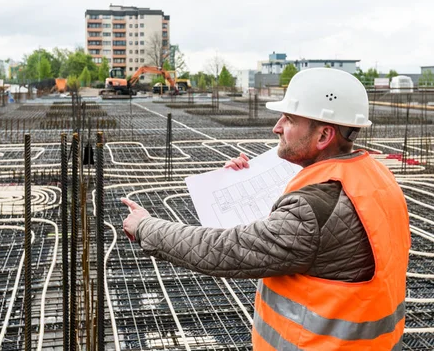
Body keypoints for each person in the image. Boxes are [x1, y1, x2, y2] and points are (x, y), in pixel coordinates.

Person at [122, 68, 410, 350]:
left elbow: (224, 249)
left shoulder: (312, 211)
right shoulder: (374, 176)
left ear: (324, 136)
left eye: (289, 119)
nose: (277, 127)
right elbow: (319, 221)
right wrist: (240, 180)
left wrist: (145, 226)